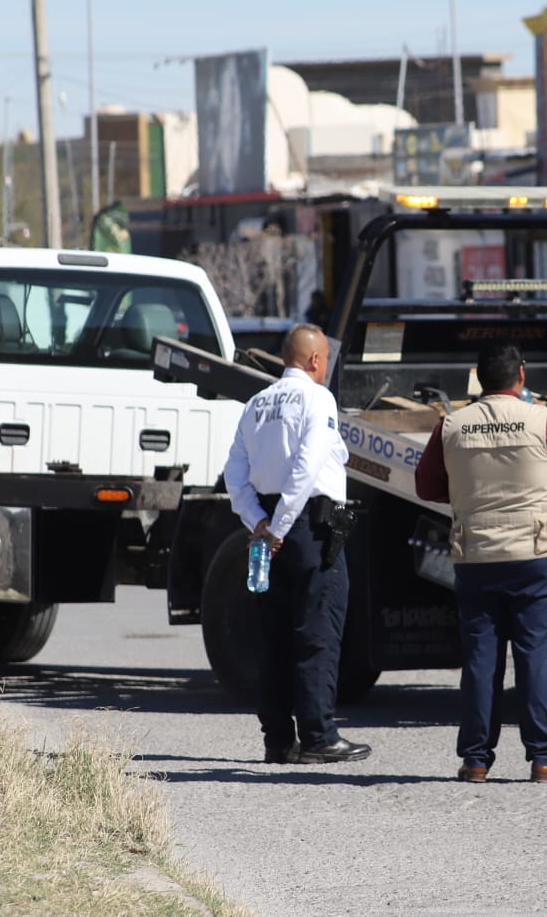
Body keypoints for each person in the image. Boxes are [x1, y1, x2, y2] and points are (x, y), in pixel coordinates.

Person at [415, 342, 547, 783]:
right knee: (538, 655)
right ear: (521, 375)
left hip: (477, 555)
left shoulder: (451, 425)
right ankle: (545, 757)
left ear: (479, 378)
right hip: (537, 556)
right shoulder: (544, 419)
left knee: (481, 658)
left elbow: (427, 486)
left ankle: (476, 760)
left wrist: (471, 493)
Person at [222, 323, 371, 765]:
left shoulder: (255, 404)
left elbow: (234, 475)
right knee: (316, 633)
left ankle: (278, 741)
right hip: (307, 528)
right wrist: (283, 525)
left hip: (269, 528)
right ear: (313, 361)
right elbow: (306, 467)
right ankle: (319, 736)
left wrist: (260, 522)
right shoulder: (317, 398)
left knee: (273, 637)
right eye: (324, 359)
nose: (325, 368)